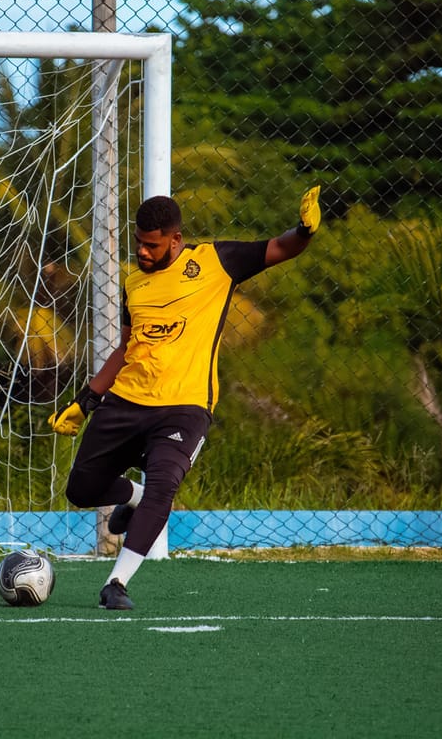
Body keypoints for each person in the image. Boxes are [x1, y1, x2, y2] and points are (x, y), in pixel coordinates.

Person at [49, 186, 321, 609]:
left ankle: (116, 584)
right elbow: (126, 348)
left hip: (185, 406)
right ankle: (134, 498)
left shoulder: (215, 262)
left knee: (164, 487)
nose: (142, 251)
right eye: (138, 242)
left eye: (152, 245)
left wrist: (305, 230)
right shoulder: (133, 281)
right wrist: (86, 400)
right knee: (82, 489)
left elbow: (279, 248)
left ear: (175, 240)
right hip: (126, 400)